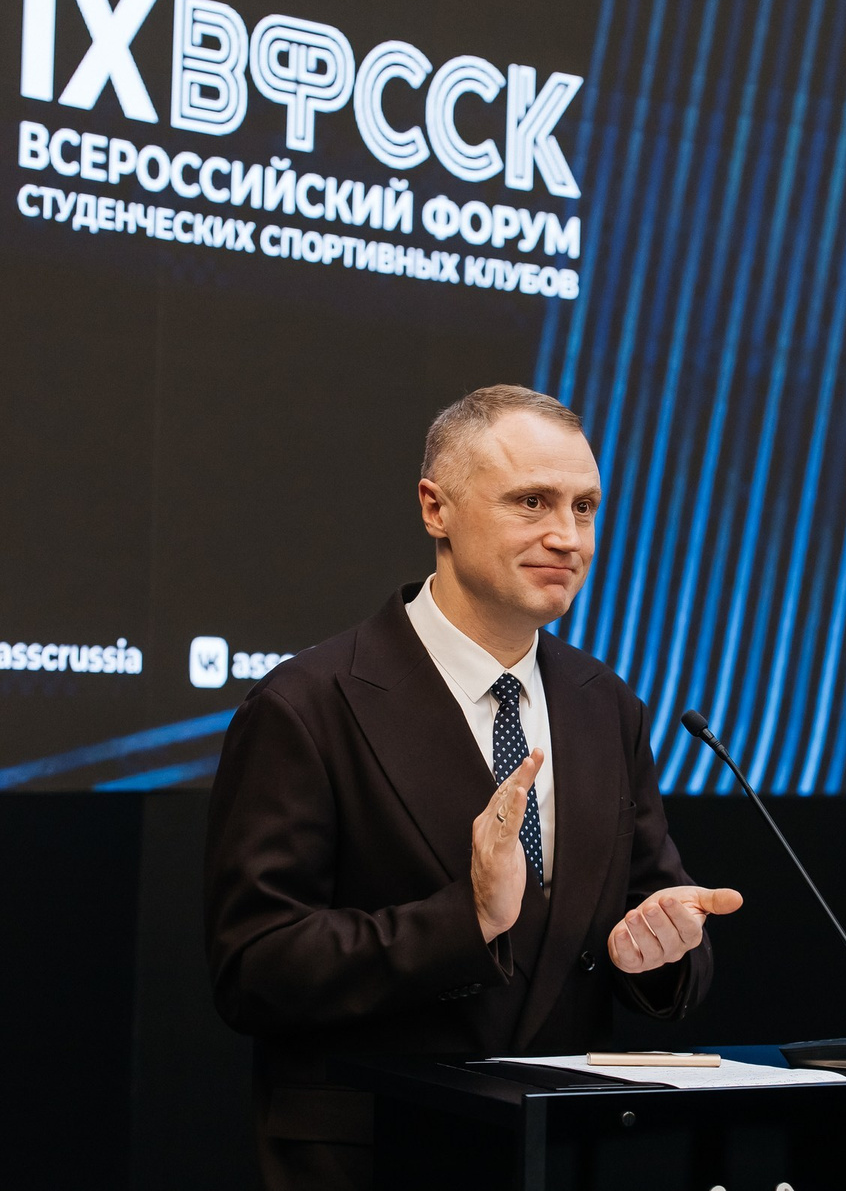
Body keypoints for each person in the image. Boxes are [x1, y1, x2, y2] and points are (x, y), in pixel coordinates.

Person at [205, 384, 742, 1190]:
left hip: (556, 1156)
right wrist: (469, 921)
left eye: (585, 508)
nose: (567, 537)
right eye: (532, 502)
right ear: (436, 509)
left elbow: (651, 915)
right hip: (378, 1155)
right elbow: (254, 969)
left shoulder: (605, 704)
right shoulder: (307, 705)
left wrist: (658, 954)